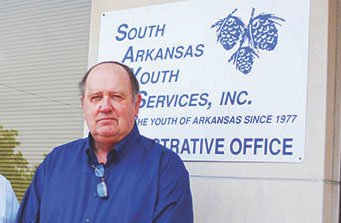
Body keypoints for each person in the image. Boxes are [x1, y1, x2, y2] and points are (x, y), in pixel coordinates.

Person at [16, 61, 193, 223]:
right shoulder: (54, 164)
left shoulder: (165, 169)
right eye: (96, 97)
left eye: (116, 96)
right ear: (83, 106)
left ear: (136, 104)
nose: (105, 107)